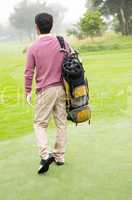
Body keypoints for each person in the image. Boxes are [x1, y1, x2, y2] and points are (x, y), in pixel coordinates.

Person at [24, 13, 71, 174]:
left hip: (45, 90)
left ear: (37, 26)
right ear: (52, 24)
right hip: (63, 89)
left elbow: (29, 72)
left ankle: (45, 155)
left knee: (40, 123)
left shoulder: (33, 47)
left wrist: (27, 91)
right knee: (61, 123)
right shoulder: (62, 41)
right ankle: (59, 156)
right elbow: (73, 60)